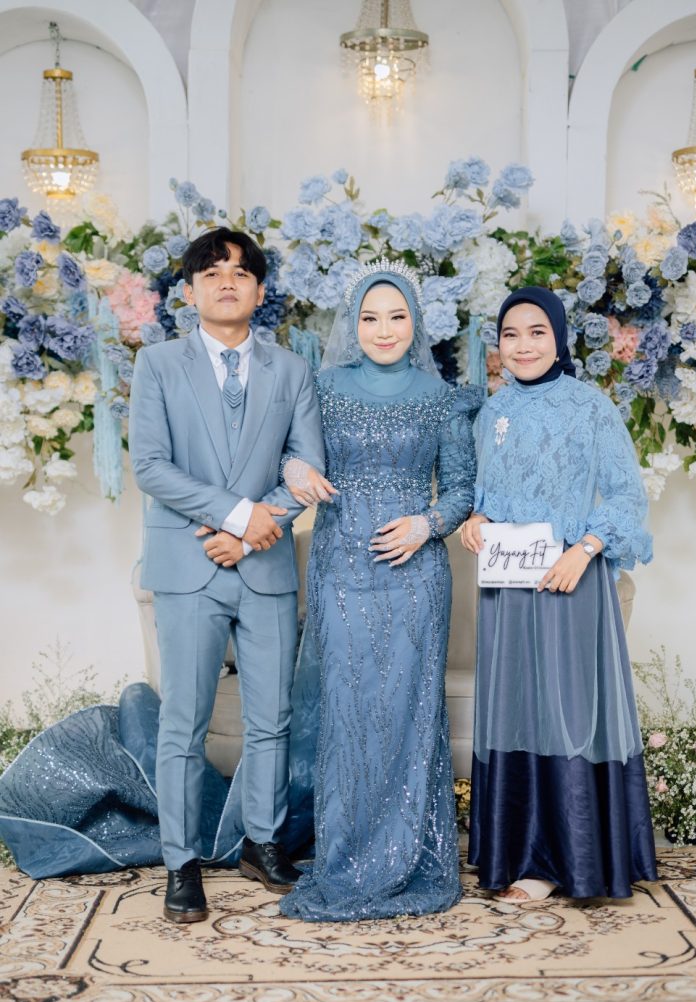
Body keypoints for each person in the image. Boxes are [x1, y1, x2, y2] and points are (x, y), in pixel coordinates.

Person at [276, 260, 482, 921]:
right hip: (340, 567)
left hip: (415, 576)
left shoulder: (443, 397)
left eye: (397, 317)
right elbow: (288, 452)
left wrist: (428, 523)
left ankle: (408, 855)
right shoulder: (321, 387)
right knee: (347, 709)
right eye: (370, 318)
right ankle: (345, 856)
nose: (384, 329)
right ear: (352, 323)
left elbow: (461, 488)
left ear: (416, 322)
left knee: (408, 710)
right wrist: (295, 466)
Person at [128, 227, 324, 923]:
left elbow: (307, 468)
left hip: (264, 563)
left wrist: (250, 532)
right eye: (211, 273)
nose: (227, 282)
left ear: (260, 290)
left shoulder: (292, 371)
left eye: (240, 272)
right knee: (184, 719)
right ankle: (180, 861)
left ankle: (262, 842)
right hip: (188, 564)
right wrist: (239, 516)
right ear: (189, 291)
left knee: (272, 716)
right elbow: (149, 466)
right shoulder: (157, 365)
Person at [461, 286, 658, 903]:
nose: (523, 346)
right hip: (507, 592)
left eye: (537, 332)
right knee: (517, 709)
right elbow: (485, 495)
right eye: (511, 334)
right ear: (498, 344)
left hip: (569, 584)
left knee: (565, 713)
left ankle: (568, 860)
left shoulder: (589, 406)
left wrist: (587, 548)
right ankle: (521, 854)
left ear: (559, 338)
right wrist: (475, 520)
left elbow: (626, 495)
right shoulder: (491, 414)